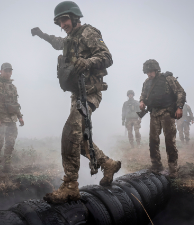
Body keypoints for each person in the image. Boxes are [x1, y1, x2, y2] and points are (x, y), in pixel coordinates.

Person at [31, 1, 121, 203]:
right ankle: (108, 164)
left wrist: (88, 62)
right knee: (79, 140)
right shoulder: (70, 39)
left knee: (70, 132)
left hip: (90, 93)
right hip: (77, 95)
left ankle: (70, 185)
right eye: (59, 22)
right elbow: (56, 42)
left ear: (74, 17)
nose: (62, 25)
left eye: (64, 19)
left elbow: (107, 56)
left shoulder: (89, 32)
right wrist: (41, 34)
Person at [139, 59, 186, 178]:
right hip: (154, 114)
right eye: (147, 72)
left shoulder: (168, 79)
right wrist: (142, 101)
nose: (149, 74)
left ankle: (173, 169)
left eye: (150, 71)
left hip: (167, 113)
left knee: (170, 141)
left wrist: (179, 107)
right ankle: (156, 165)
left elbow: (181, 92)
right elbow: (143, 94)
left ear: (156, 69)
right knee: (153, 141)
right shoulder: (146, 82)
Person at [0, 63, 24, 174]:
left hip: (12, 120)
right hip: (0, 120)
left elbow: (15, 103)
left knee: (10, 143)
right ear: (1, 71)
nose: (8, 73)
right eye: (5, 71)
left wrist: (20, 116)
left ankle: (7, 165)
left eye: (9, 71)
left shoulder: (12, 86)